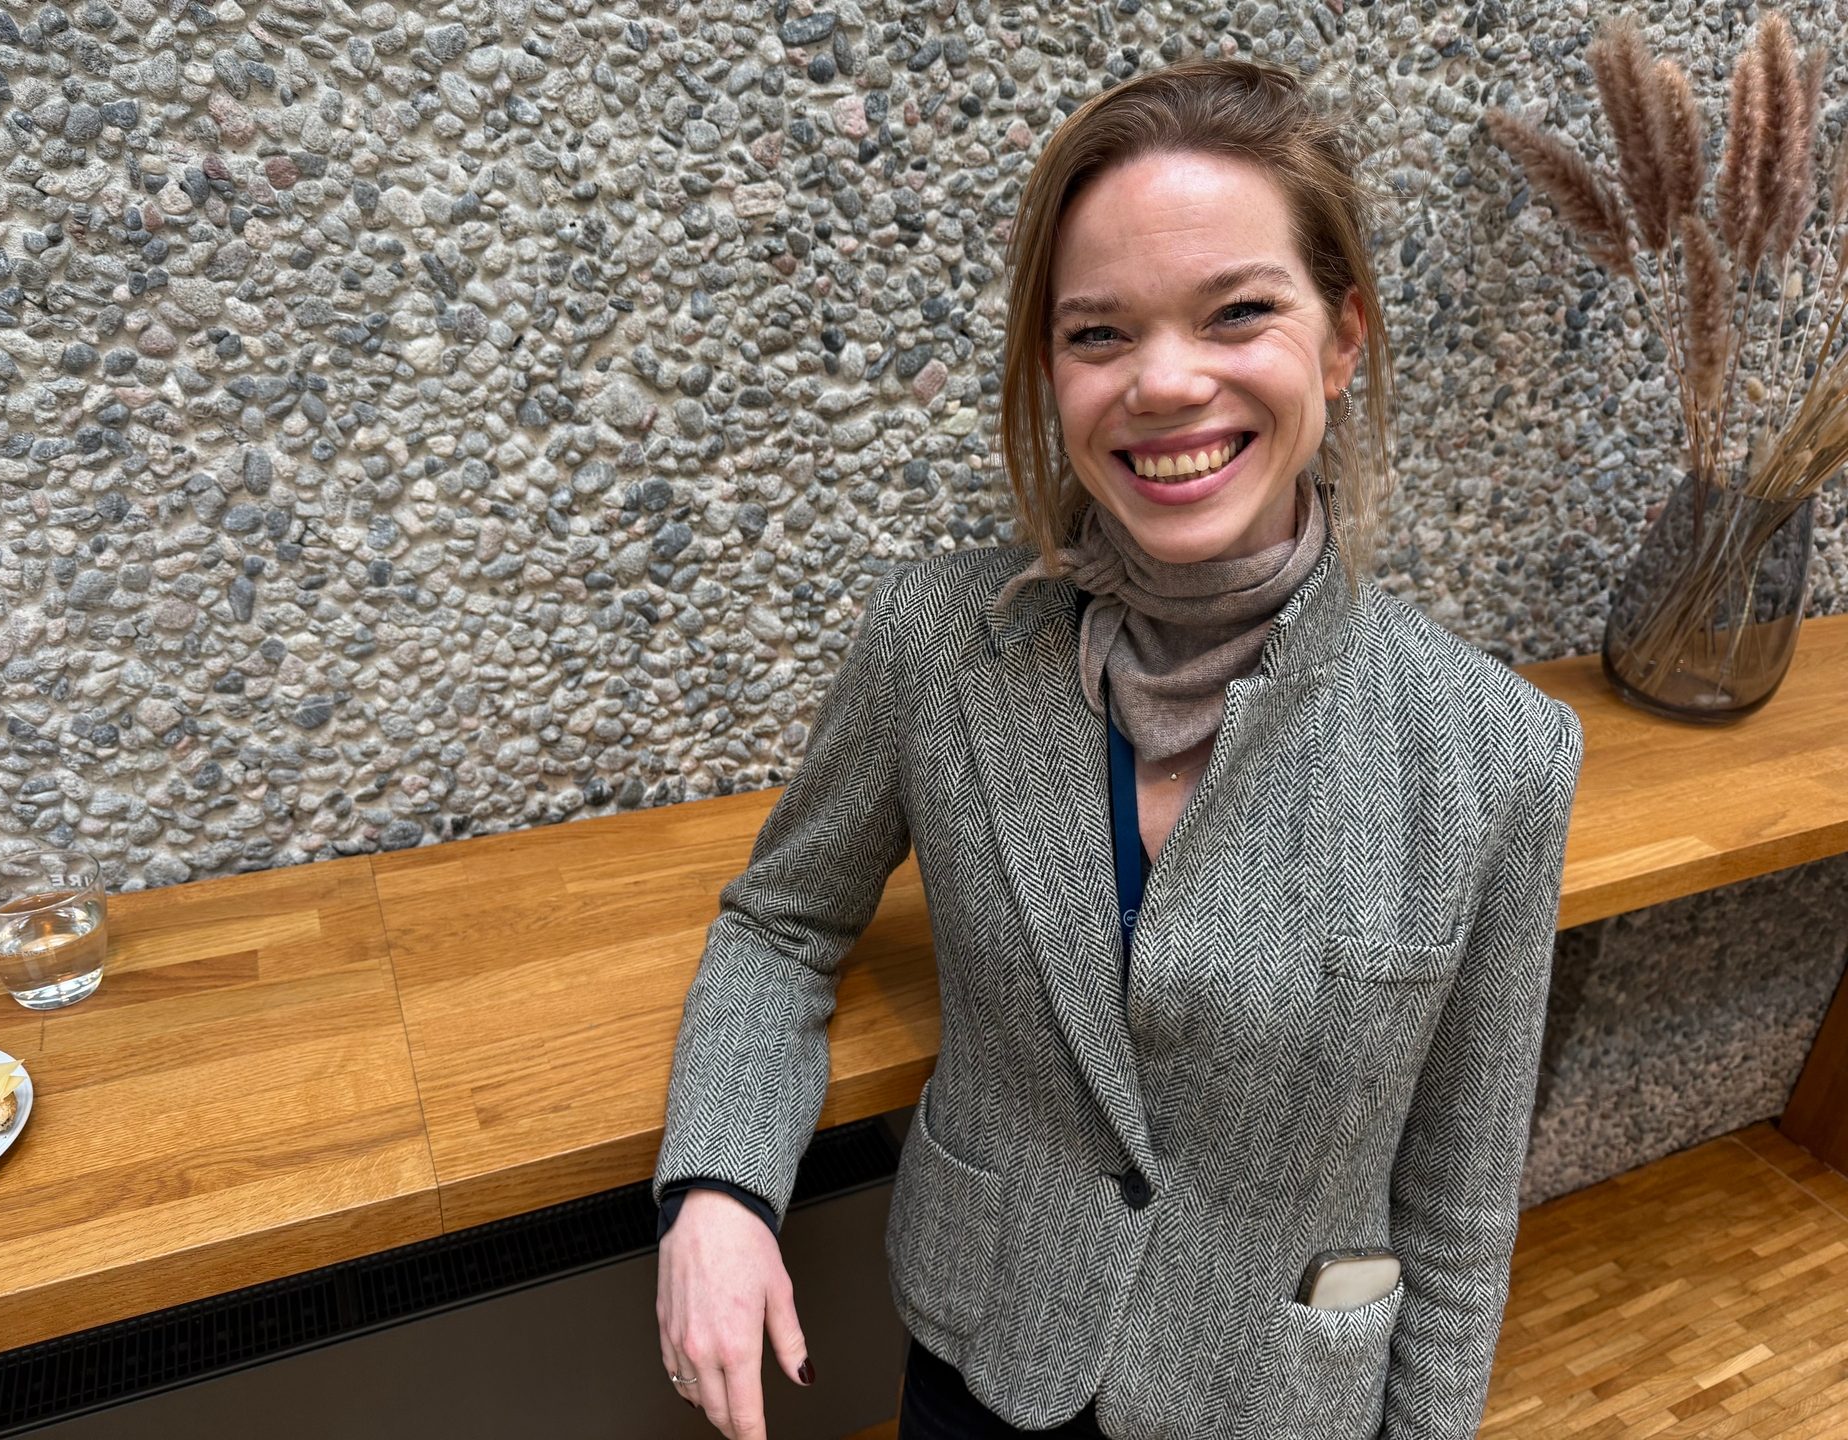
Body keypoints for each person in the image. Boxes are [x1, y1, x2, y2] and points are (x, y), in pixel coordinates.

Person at [653, 57, 1584, 1440]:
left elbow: (1456, 1200)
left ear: (1342, 338)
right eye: (1100, 334)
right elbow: (781, 926)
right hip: (980, 1362)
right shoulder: (935, 643)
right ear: (1050, 366)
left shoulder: (1496, 752)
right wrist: (717, 1191)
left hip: (1272, 1403)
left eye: (1238, 314)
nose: (1164, 383)